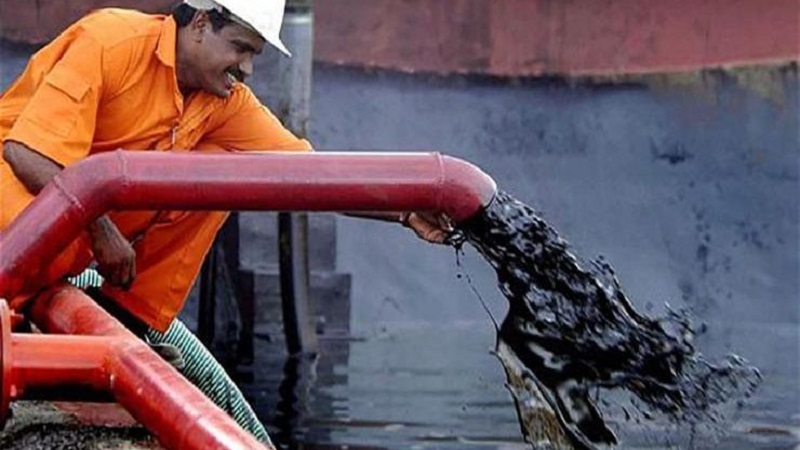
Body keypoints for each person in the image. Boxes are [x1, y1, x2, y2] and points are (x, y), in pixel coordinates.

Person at [0, 0, 453, 443]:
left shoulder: (223, 104)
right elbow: (25, 152)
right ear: (200, 23)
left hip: (66, 249)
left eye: (254, 54)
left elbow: (308, 173)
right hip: (12, 233)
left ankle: (123, 322)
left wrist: (406, 208)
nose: (247, 68)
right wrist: (101, 229)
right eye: (241, 48)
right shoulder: (110, 41)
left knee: (220, 174)